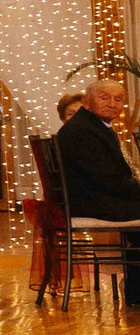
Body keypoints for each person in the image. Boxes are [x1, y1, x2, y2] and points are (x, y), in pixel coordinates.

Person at [58, 77, 140, 284]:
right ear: (86, 102)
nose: (112, 104)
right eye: (104, 98)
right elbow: (109, 180)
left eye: (118, 99)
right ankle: (135, 285)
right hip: (90, 202)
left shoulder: (94, 126)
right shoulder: (83, 131)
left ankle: (134, 285)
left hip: (96, 198)